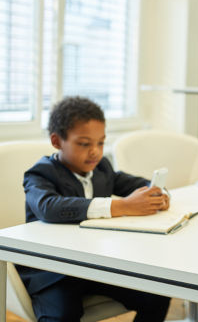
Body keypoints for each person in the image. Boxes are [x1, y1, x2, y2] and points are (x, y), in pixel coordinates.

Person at [19, 96, 171, 322]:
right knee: (62, 315)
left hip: (95, 264)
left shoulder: (101, 168)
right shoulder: (40, 174)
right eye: (84, 143)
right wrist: (121, 205)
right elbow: (48, 207)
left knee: (158, 294)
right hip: (53, 271)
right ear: (56, 141)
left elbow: (134, 183)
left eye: (100, 143)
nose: (95, 152)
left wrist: (159, 193)